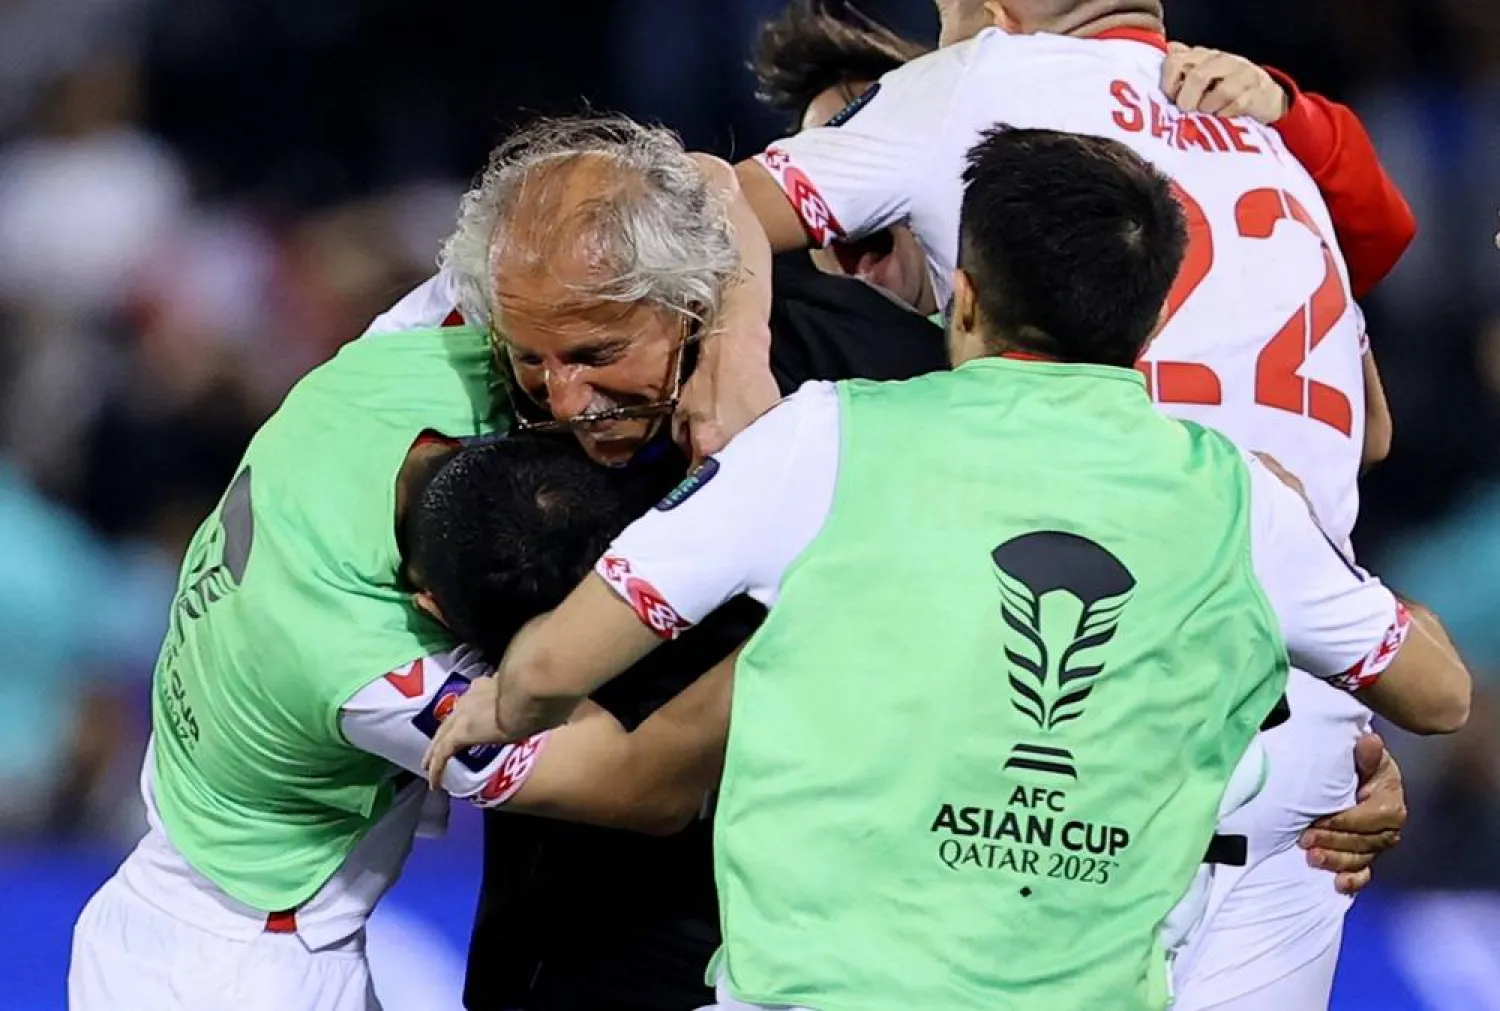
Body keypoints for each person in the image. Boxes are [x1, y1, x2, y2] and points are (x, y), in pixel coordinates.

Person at [427, 127, 1469, 1011]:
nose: (562, 396)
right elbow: (1432, 689)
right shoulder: (1236, 497)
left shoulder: (840, 420)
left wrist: (499, 706)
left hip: (810, 970)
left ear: (964, 300)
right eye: (533, 364)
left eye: (598, 353)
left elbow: (572, 671)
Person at [728, 3, 1419, 1004]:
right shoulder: (1269, 149)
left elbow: (680, 220)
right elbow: (1371, 429)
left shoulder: (983, 91)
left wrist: (728, 384)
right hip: (1297, 741)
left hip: (1073, 739)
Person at [64, 268, 734, 1011]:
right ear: (428, 609)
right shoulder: (375, 671)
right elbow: (644, 785)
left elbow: (516, 257)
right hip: (241, 974)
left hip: (153, 911)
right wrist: (796, 606)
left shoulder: (387, 373)